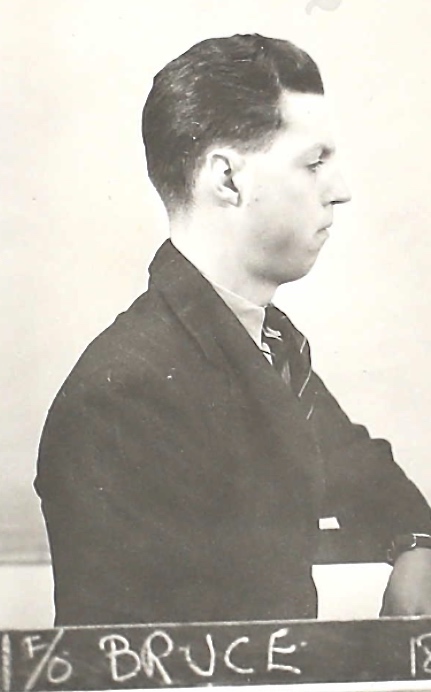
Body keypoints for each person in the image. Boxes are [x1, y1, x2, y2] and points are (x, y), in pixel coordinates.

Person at [35, 34, 431, 626]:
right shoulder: (121, 398)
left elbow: (360, 468)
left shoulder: (260, 339)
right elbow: (148, 664)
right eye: (314, 163)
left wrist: (418, 545)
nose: (341, 189)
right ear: (228, 179)